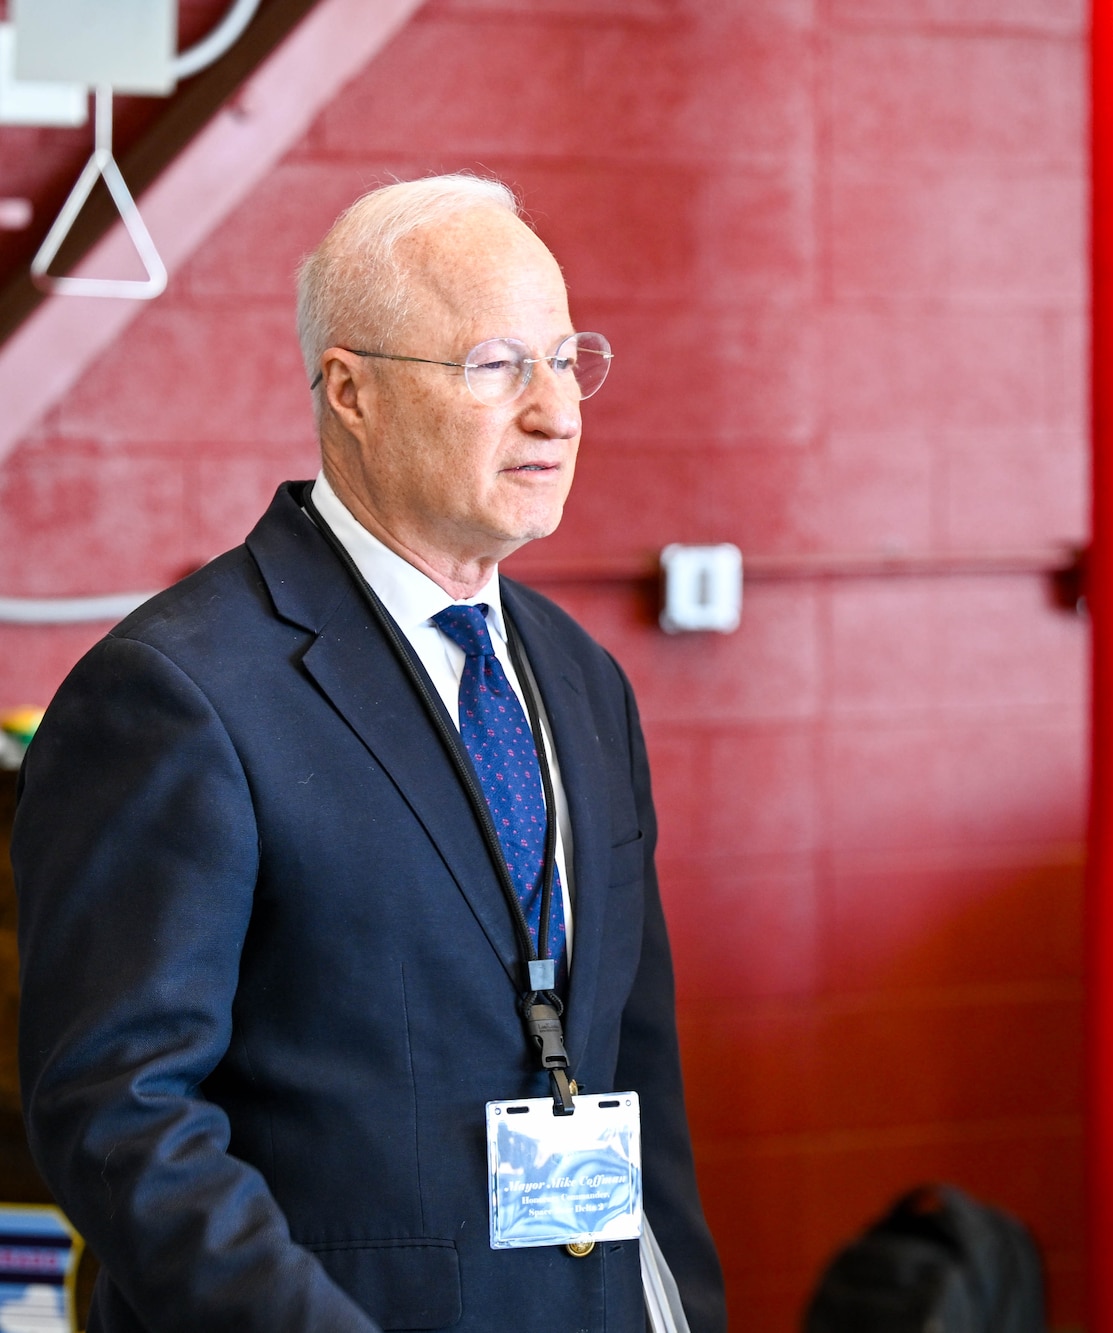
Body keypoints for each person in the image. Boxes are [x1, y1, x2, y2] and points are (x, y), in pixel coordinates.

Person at [11, 175, 724, 1331]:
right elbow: (119, 1112)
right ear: (351, 391)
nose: (556, 412)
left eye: (567, 358)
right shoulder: (174, 694)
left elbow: (632, 1051)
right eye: (496, 365)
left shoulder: (583, 678)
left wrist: (677, 1306)